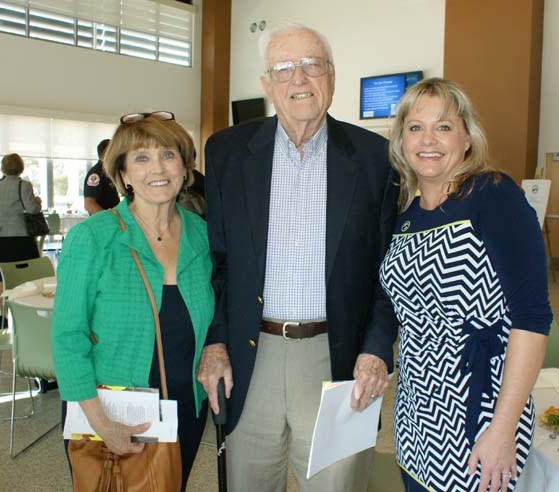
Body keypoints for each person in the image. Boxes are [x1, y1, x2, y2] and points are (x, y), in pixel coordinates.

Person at [197, 23, 398, 492]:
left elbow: (387, 271)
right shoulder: (227, 152)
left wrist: (375, 347)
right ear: (266, 84)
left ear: (332, 76)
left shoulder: (376, 158)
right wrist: (216, 341)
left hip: (338, 358)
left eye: (312, 65)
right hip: (252, 354)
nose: (300, 79)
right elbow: (219, 263)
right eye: (284, 69)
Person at [379, 78, 552, 492]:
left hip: (480, 412)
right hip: (415, 415)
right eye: (415, 127)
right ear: (401, 140)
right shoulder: (404, 218)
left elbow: (531, 318)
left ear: (467, 138)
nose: (428, 139)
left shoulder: (492, 195)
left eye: (443, 126)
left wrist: (502, 429)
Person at [51, 112, 214, 489]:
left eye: (168, 155)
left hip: (184, 411)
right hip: (111, 412)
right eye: (141, 158)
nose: (158, 168)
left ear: (185, 168)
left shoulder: (203, 236)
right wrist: (100, 421)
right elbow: (67, 337)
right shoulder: (93, 238)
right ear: (122, 175)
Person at [0, 153, 42, 328]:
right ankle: (29, 312)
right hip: (20, 235)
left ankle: (3, 316)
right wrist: (38, 202)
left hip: (0, 235)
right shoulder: (24, 185)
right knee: (29, 276)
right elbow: (32, 209)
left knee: (2, 277)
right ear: (20, 167)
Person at [83, 138, 119, 215]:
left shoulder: (108, 172)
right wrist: (108, 219)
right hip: (103, 223)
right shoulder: (96, 174)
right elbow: (89, 203)